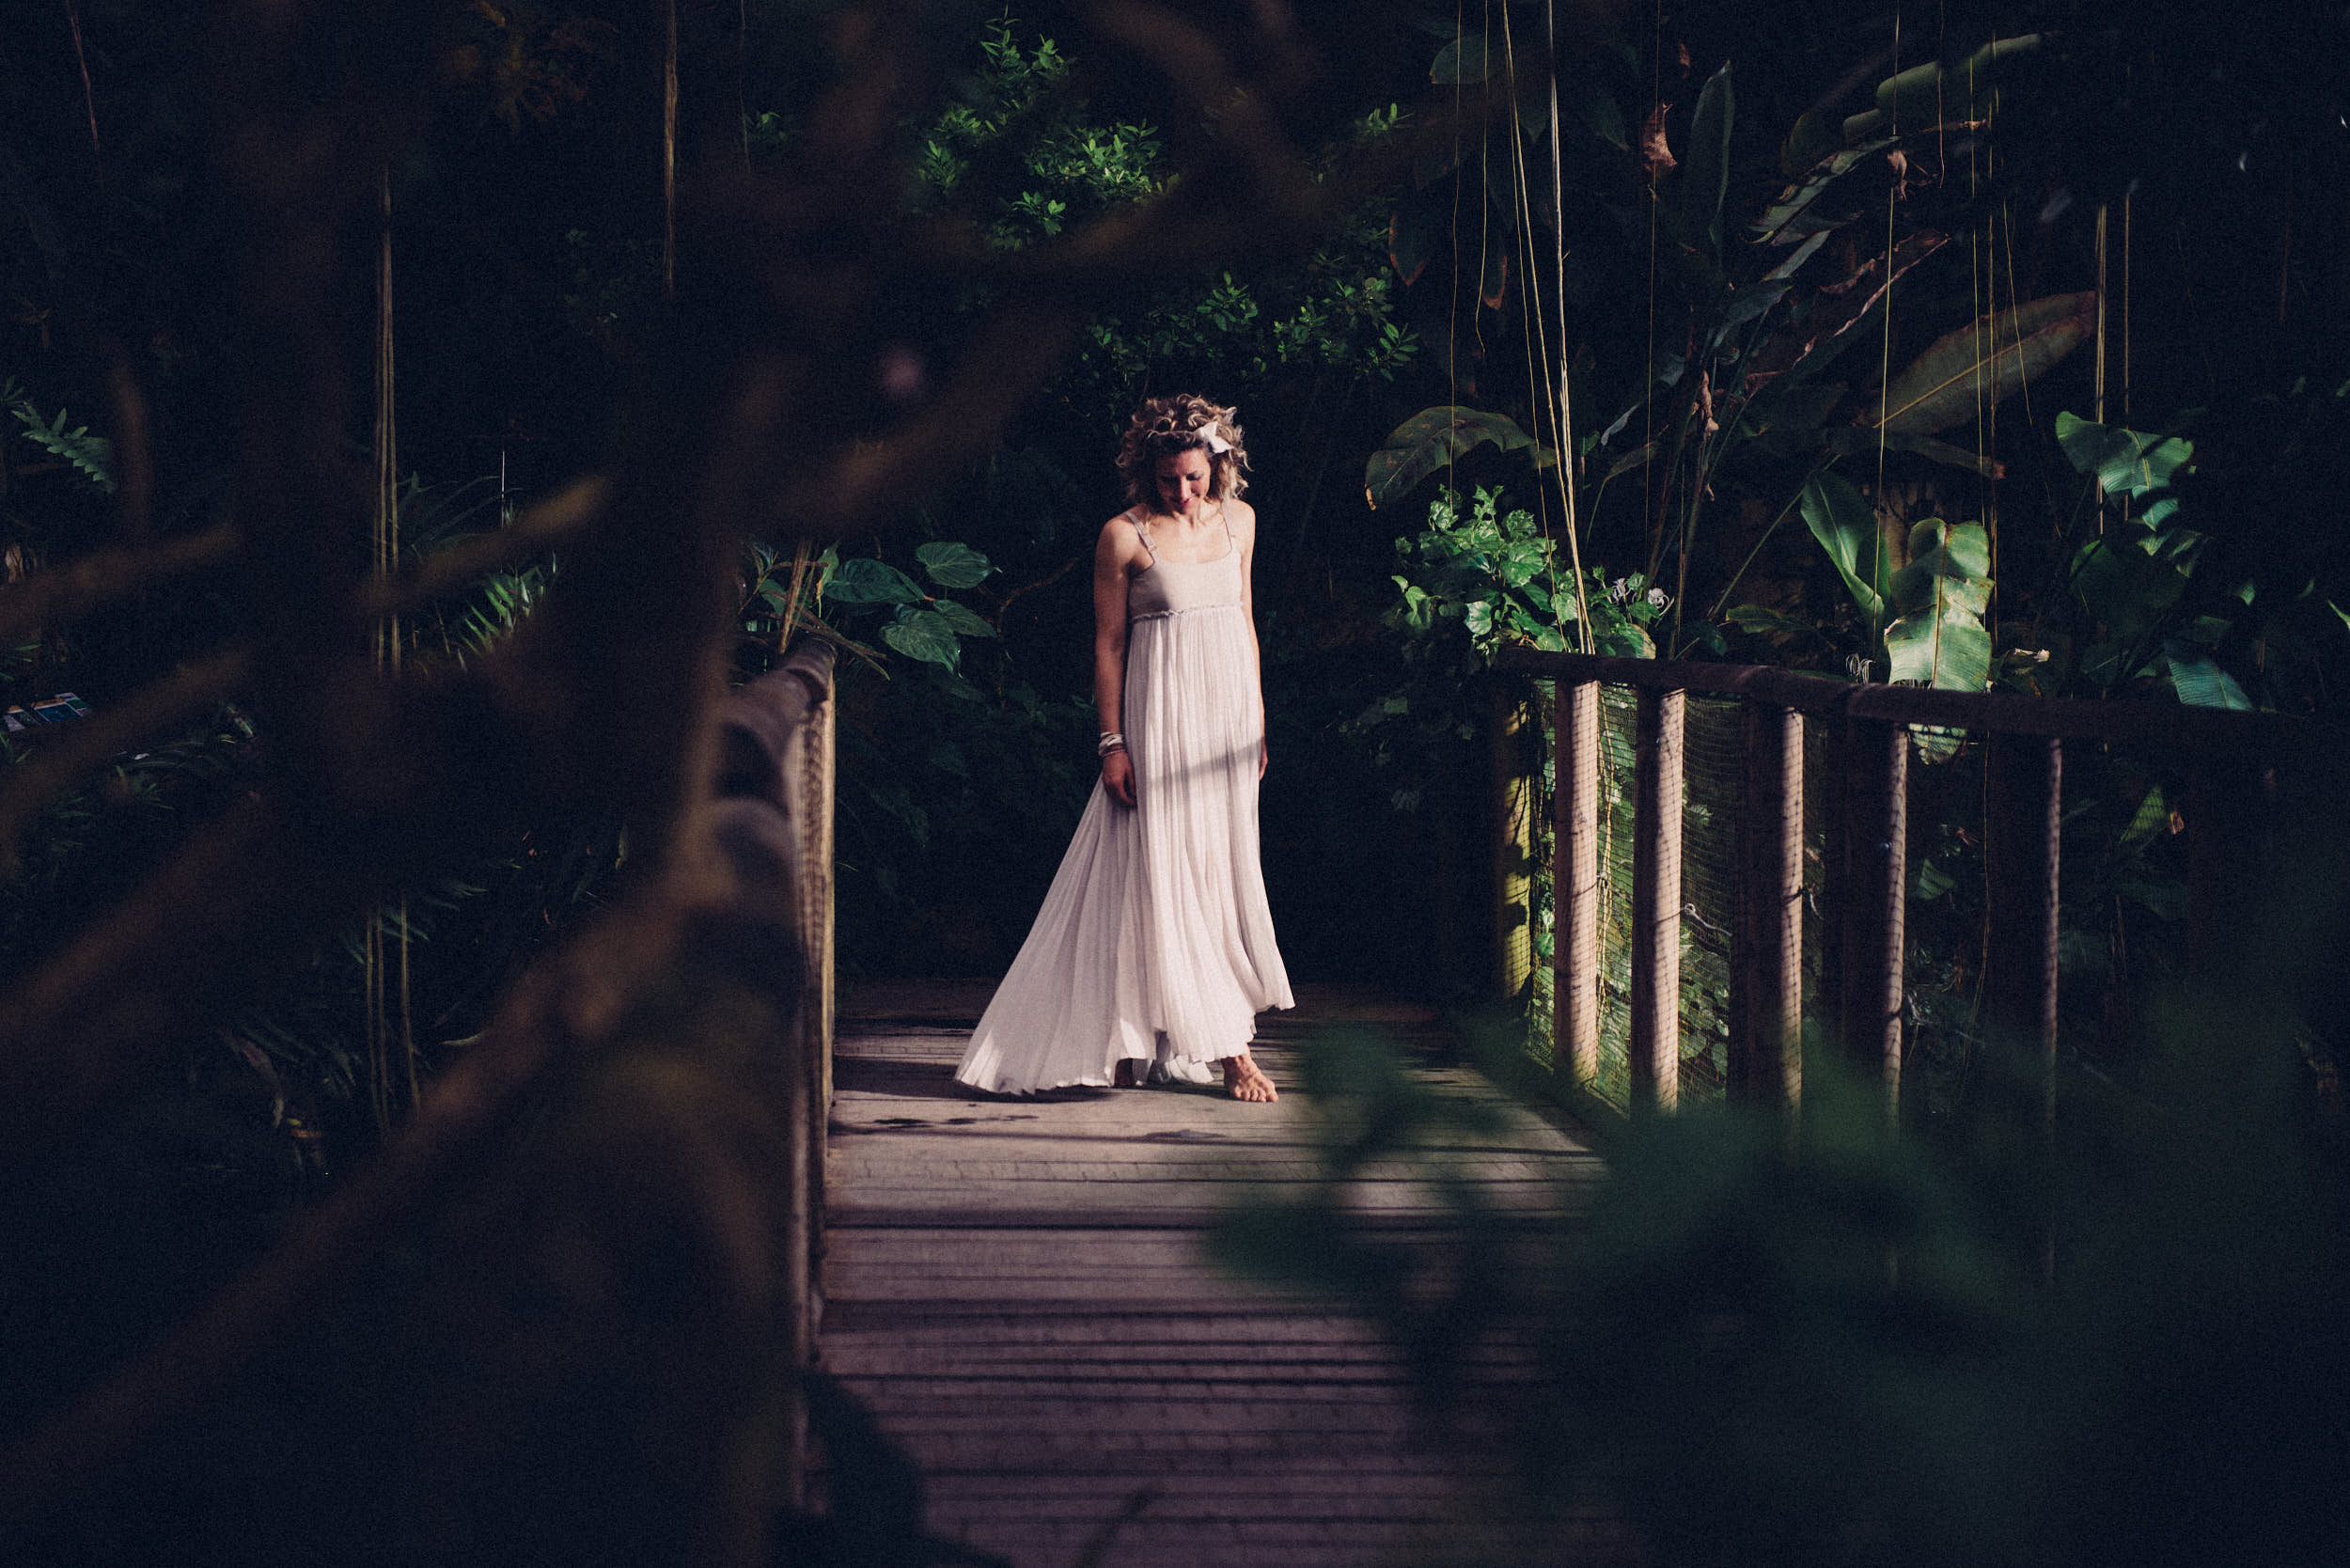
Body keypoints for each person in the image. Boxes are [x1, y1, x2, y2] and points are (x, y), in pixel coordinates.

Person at [956, 395, 1292, 1101]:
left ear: (1219, 465)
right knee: (1170, 872)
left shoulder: (1242, 523)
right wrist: (1113, 743)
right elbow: (1109, 646)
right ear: (1148, 473)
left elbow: (1244, 620)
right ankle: (1232, 1052)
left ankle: (1142, 1034)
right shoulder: (1125, 536)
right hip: (1161, 720)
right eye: (1169, 479)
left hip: (1227, 723)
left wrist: (1258, 718)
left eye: (1195, 477)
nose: (1183, 491)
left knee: (1218, 872)